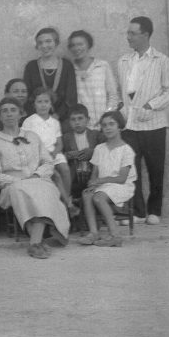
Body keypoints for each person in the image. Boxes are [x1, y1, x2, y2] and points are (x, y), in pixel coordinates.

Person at [0, 96, 70, 259]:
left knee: (46, 189)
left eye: (13, 110)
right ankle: (38, 240)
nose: (9, 114)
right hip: (13, 186)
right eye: (5, 111)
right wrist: (20, 181)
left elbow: (48, 162)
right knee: (24, 190)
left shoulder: (32, 137)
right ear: (0, 116)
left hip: (38, 180)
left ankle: (35, 242)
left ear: (21, 114)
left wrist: (37, 175)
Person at [117, 16, 169, 225]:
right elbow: (122, 93)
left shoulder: (161, 60)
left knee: (155, 169)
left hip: (154, 125)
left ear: (145, 34)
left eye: (132, 33)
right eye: (128, 33)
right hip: (130, 125)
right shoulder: (124, 61)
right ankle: (138, 212)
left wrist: (151, 106)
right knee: (131, 168)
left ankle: (154, 211)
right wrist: (118, 112)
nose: (128, 37)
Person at [78, 111, 137, 247]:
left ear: (120, 126)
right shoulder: (100, 148)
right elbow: (95, 172)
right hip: (103, 185)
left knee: (98, 197)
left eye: (112, 124)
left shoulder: (126, 150)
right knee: (87, 195)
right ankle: (94, 233)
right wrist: (93, 183)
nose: (108, 128)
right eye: (104, 125)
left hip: (121, 186)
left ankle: (115, 235)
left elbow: (122, 178)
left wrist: (99, 182)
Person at [22, 87, 77, 218]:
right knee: (54, 173)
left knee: (64, 168)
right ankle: (68, 206)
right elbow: (26, 143)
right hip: (38, 155)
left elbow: (59, 143)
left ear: (51, 104)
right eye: (39, 101)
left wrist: (54, 153)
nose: (43, 105)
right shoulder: (29, 121)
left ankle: (65, 200)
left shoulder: (54, 122)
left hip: (54, 153)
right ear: (34, 104)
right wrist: (44, 155)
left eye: (46, 101)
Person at [22, 27, 77, 126]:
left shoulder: (67, 66)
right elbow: (27, 96)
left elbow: (71, 97)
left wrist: (56, 116)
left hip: (62, 120)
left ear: (56, 42)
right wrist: (38, 118)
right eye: (40, 42)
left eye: (48, 41)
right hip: (36, 120)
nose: (44, 45)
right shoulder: (31, 66)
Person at [68, 30, 120, 130]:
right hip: (81, 128)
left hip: (103, 126)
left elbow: (113, 95)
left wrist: (106, 117)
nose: (76, 48)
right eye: (73, 45)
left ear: (89, 45)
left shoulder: (102, 66)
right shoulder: (69, 69)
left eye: (80, 44)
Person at [62, 103, 105, 201]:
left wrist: (92, 152)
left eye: (80, 118)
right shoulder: (66, 137)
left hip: (92, 173)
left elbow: (105, 151)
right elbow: (60, 156)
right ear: (69, 122)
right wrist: (68, 155)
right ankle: (73, 202)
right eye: (73, 119)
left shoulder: (96, 135)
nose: (77, 122)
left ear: (88, 120)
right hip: (75, 175)